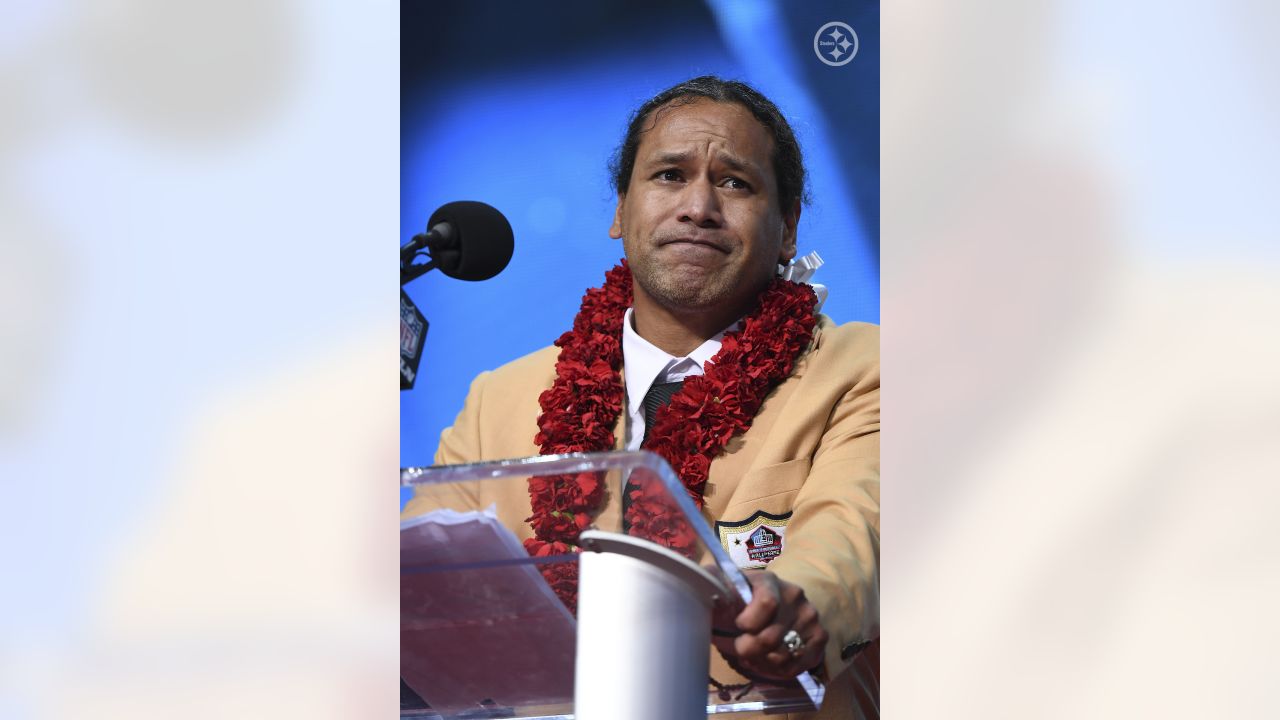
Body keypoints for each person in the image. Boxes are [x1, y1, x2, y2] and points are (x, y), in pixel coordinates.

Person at [404, 76, 879, 719]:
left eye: (736, 182)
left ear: (788, 227)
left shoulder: (861, 369)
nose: (698, 207)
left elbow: (852, 533)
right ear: (620, 210)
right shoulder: (501, 400)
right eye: (669, 176)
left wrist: (796, 601)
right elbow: (415, 581)